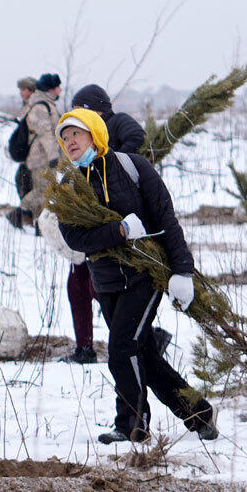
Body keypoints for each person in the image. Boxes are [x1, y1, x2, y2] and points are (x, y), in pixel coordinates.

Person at [55, 108, 218, 444]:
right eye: (65, 136)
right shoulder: (70, 186)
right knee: (140, 353)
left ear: (95, 133)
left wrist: (182, 271)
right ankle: (198, 413)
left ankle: (132, 424)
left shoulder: (132, 167)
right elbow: (75, 239)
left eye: (76, 133)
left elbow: (166, 219)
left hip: (144, 275)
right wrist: (119, 230)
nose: (70, 141)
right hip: (106, 281)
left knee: (121, 349)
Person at [61, 84, 170, 364]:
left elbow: (137, 138)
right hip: (95, 224)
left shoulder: (118, 123)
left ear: (93, 109)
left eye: (79, 111)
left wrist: (112, 161)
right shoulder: (80, 151)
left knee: (98, 287)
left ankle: (141, 340)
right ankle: (107, 344)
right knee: (83, 283)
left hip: (124, 227)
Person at [18, 73, 63, 222]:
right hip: (40, 158)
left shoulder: (45, 104)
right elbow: (45, 134)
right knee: (42, 191)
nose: (60, 90)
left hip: (44, 157)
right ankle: (19, 213)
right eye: (57, 87)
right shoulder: (40, 106)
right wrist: (53, 156)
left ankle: (38, 224)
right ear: (51, 89)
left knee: (45, 192)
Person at [5, 76, 38, 228]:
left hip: (35, 156)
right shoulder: (27, 105)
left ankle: (25, 216)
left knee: (32, 186)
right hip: (28, 156)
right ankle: (26, 216)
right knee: (22, 182)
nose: (20, 92)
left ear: (30, 90)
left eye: (23, 89)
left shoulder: (35, 106)